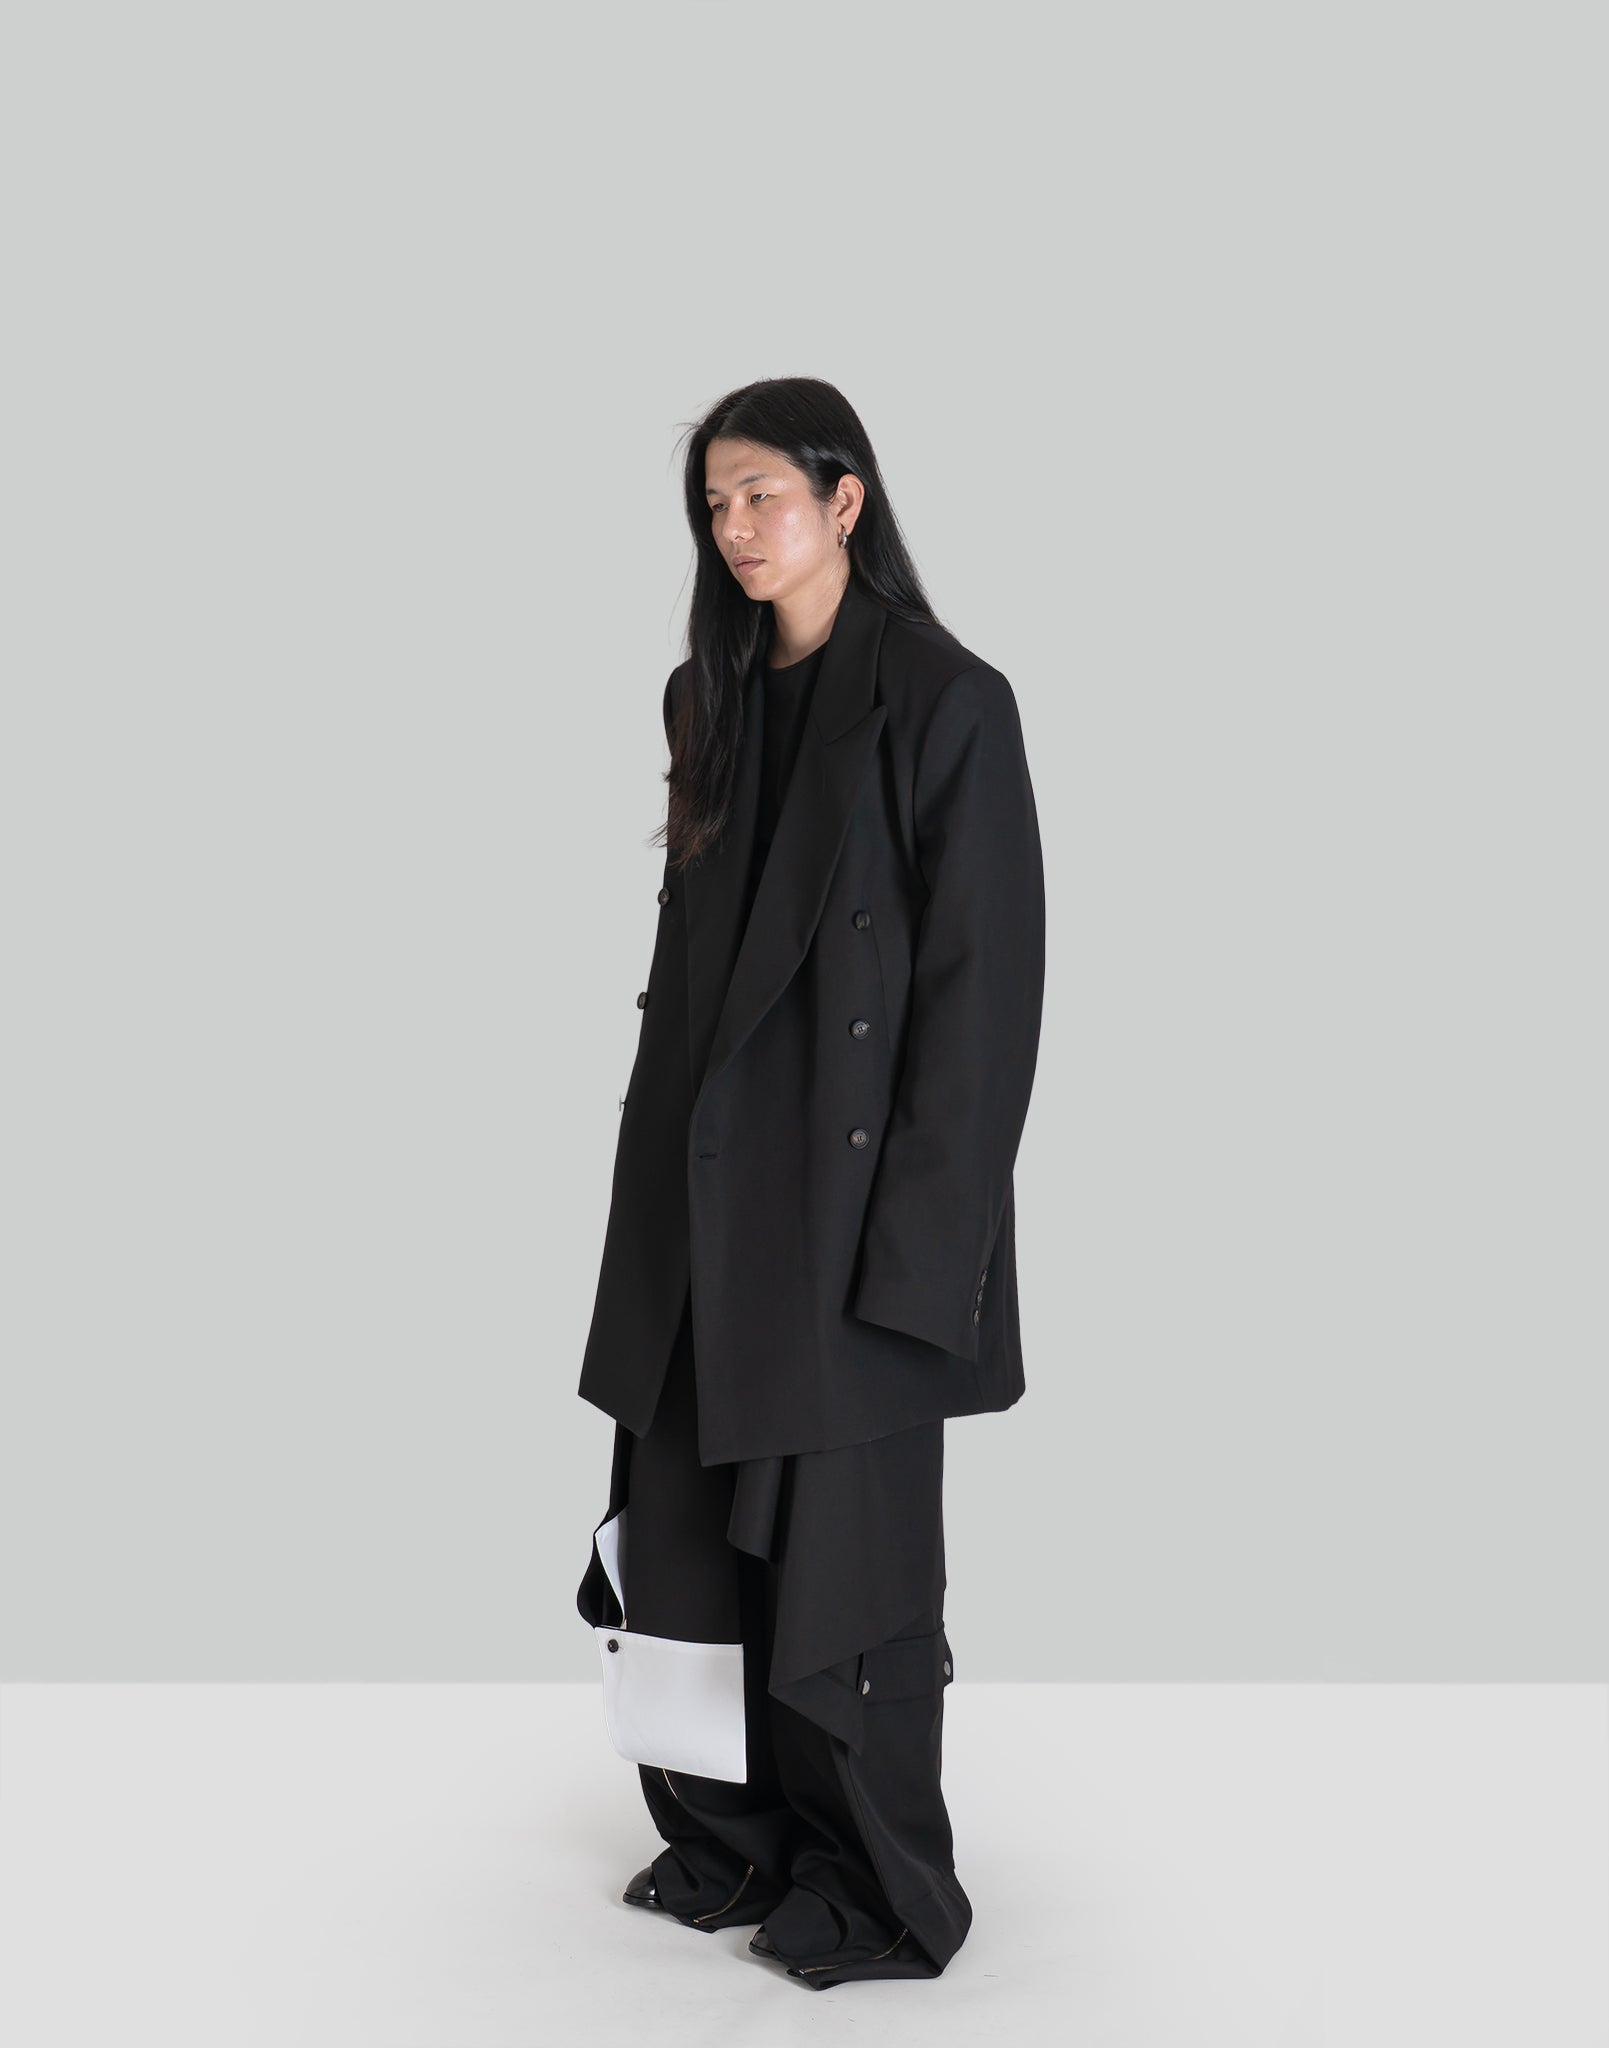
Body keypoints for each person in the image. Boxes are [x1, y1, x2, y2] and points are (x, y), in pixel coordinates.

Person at [574, 376, 1046, 1988]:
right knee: (683, 1536)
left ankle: (873, 1878)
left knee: (844, 1557)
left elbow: (979, 1004)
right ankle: (731, 1837)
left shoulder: (946, 699)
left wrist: (919, 1266)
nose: (734, 527)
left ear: (845, 501)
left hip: (844, 1219)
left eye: (761, 493)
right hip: (699, 1201)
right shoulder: (704, 697)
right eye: (714, 503)